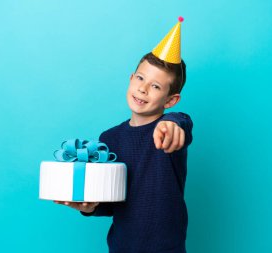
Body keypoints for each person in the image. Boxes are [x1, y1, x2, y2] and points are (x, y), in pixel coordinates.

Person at [55, 17, 193, 253]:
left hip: (166, 248)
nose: (143, 88)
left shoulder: (170, 130)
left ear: (170, 100)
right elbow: (112, 201)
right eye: (140, 78)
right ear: (131, 79)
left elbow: (182, 122)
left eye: (156, 86)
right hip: (122, 246)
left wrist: (171, 125)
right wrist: (89, 207)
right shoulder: (109, 138)